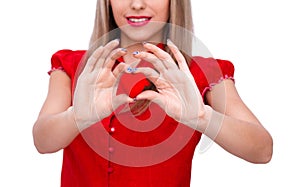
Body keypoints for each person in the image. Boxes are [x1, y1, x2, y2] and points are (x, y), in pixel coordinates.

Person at [33, 0, 273, 186]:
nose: (137, 4)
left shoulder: (201, 73)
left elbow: (262, 150)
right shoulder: (74, 66)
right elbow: (43, 141)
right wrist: (78, 117)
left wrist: (203, 118)